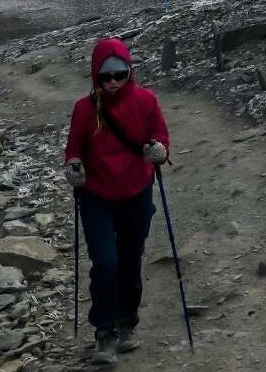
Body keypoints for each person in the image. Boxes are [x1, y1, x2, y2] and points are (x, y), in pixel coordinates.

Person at [64, 37, 170, 365]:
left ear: (129, 71)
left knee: (130, 260)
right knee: (106, 264)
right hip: (97, 195)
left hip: (136, 191)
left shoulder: (146, 101)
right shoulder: (85, 109)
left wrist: (159, 151)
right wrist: (74, 166)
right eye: (105, 76)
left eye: (119, 74)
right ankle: (104, 332)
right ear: (95, 75)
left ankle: (127, 323)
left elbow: (161, 136)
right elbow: (74, 148)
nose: (112, 82)